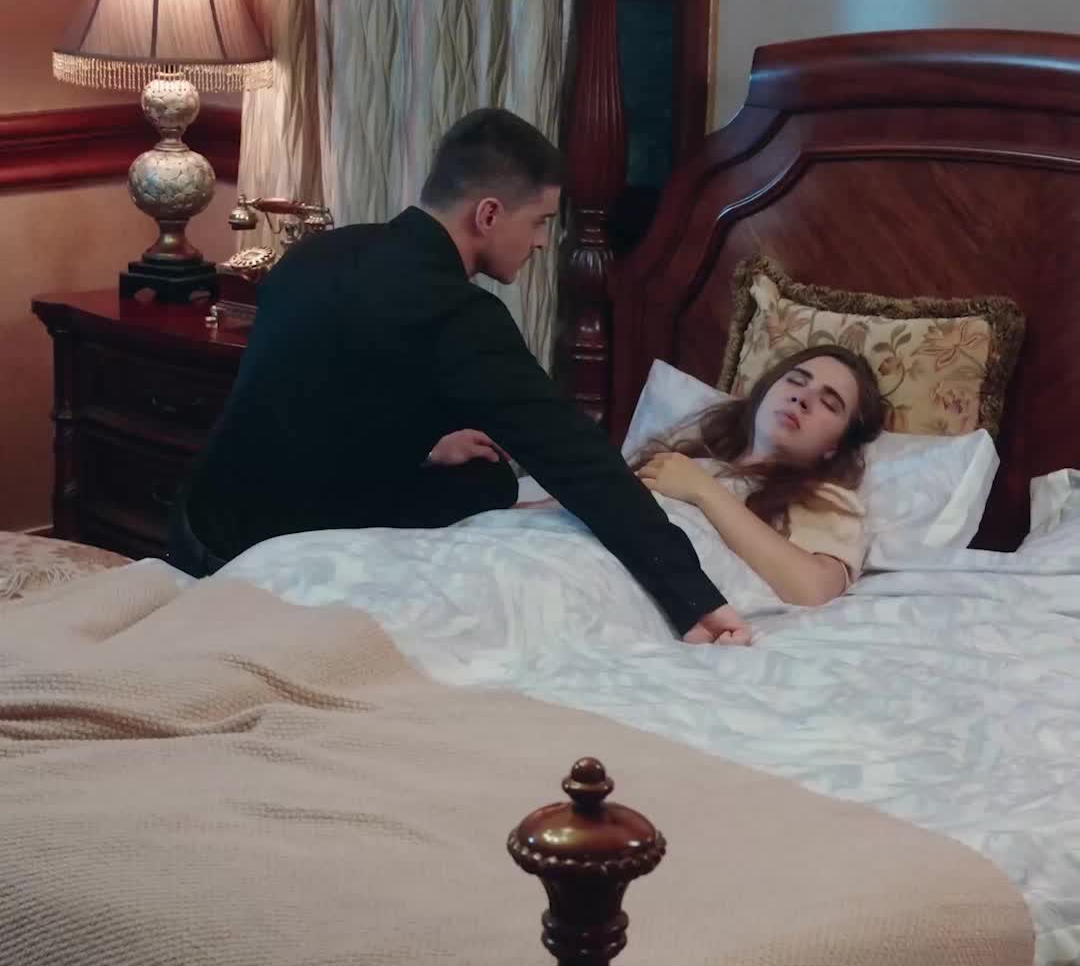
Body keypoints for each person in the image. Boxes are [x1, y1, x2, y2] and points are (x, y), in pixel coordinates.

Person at [169, 108, 749, 643]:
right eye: (540, 221)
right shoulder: (457, 314)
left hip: (197, 521)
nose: (542, 242)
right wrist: (693, 596)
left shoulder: (322, 251)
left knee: (466, 460)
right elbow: (575, 457)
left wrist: (421, 446)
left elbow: (317, 401)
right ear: (488, 215)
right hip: (267, 556)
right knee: (489, 479)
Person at [633, 346, 885, 606]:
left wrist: (703, 490)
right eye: (795, 381)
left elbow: (813, 590)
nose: (802, 398)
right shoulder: (692, 458)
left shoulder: (824, 500)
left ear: (836, 446)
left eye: (829, 404)